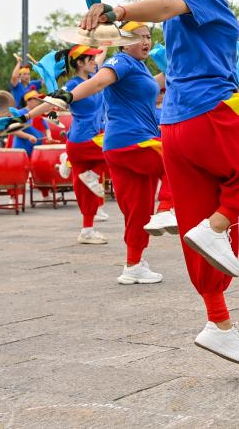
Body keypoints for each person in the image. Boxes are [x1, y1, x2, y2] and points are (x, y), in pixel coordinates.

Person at [79, 0, 239, 365]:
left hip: (175, 128)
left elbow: (172, 7)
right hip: (209, 111)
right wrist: (121, 11)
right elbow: (166, 6)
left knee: (203, 223)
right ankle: (214, 224)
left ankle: (218, 323)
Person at [41, 22, 166, 285]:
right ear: (123, 43)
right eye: (139, 37)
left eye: (148, 36)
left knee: (138, 209)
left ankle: (133, 265)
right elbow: (97, 82)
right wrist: (67, 97)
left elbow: (149, 86)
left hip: (119, 144)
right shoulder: (122, 61)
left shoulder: (138, 67)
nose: (146, 42)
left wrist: (176, 69)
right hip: (132, 142)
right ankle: (168, 208)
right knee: (178, 158)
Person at [52, 46, 109, 243]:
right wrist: (28, 115)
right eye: (90, 59)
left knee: (87, 189)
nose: (95, 61)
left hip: (92, 138)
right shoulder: (72, 85)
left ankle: (87, 230)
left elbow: (102, 55)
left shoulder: (95, 78)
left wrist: (106, 38)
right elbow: (53, 102)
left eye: (94, 58)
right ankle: (69, 161)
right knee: (119, 148)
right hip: (83, 140)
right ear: (79, 62)